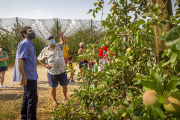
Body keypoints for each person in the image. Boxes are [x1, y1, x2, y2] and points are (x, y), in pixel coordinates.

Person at [13, 26, 38, 120]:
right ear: (24, 34)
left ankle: (24, 118)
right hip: (28, 76)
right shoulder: (25, 43)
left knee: (27, 98)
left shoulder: (30, 44)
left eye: (32, 30)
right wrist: (23, 76)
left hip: (31, 75)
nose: (33, 32)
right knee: (32, 99)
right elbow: (19, 60)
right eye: (30, 31)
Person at [37, 33, 69, 105]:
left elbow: (63, 41)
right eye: (49, 39)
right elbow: (39, 59)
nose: (51, 40)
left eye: (52, 38)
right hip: (53, 72)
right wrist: (45, 65)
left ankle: (65, 98)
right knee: (53, 87)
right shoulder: (45, 50)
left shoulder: (59, 46)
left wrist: (61, 37)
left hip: (62, 71)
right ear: (46, 41)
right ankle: (54, 100)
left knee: (64, 85)